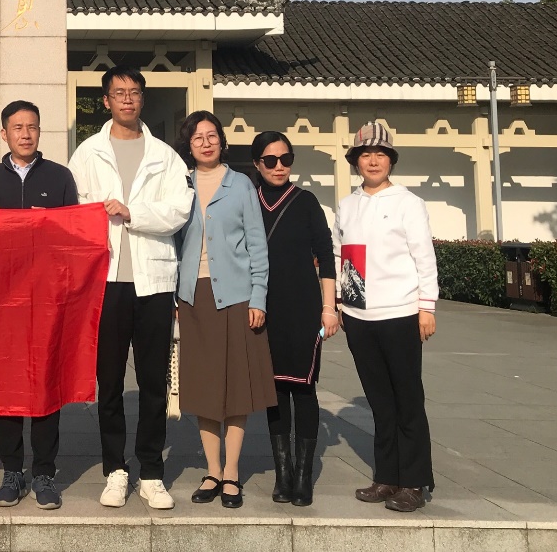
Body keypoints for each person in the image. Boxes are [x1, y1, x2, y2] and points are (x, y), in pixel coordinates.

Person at [68, 66, 193, 511]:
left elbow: (179, 209)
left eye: (134, 92)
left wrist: (131, 212)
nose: (127, 99)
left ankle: (152, 472)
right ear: (105, 101)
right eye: (119, 93)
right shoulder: (87, 153)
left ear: (142, 99)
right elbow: (75, 210)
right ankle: (115, 469)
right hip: (105, 282)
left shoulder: (165, 155)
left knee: (154, 380)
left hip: (153, 281)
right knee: (110, 381)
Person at [0, 100, 79, 511]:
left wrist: (49, 223)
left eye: (32, 126)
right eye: (17, 127)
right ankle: (12, 470)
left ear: (39, 131)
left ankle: (44, 473)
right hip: (4, 300)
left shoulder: (60, 176)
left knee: (45, 384)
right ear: (4, 134)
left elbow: (75, 234)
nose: (25, 134)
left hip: (47, 298)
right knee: (7, 386)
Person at [334, 122, 438, 513]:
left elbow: (424, 257)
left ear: (391, 160)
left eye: (380, 154)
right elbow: (342, 256)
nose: (373, 161)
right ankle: (387, 476)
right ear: (356, 161)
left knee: (407, 398)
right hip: (360, 315)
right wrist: (342, 304)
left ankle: (414, 481)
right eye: (366, 155)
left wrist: (427, 307)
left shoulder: (408, 203)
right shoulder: (347, 205)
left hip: (401, 312)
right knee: (379, 400)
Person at [176, 111, 274, 510]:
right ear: (189, 145)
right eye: (197, 137)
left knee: (236, 386)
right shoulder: (180, 184)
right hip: (193, 296)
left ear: (222, 140)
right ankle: (212, 470)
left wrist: (258, 297)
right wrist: (175, 295)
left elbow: (257, 244)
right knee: (203, 387)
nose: (206, 142)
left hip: (235, 296)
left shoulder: (241, 185)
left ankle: (232, 472)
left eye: (212, 135)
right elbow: (172, 242)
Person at [251, 131, 337, 506]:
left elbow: (327, 256)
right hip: (263, 308)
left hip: (303, 308)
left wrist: (329, 308)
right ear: (257, 164)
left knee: (303, 388)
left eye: (286, 159)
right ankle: (282, 474)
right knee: (274, 391)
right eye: (270, 160)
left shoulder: (306, 202)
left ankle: (303, 476)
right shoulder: (249, 201)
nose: (279, 167)